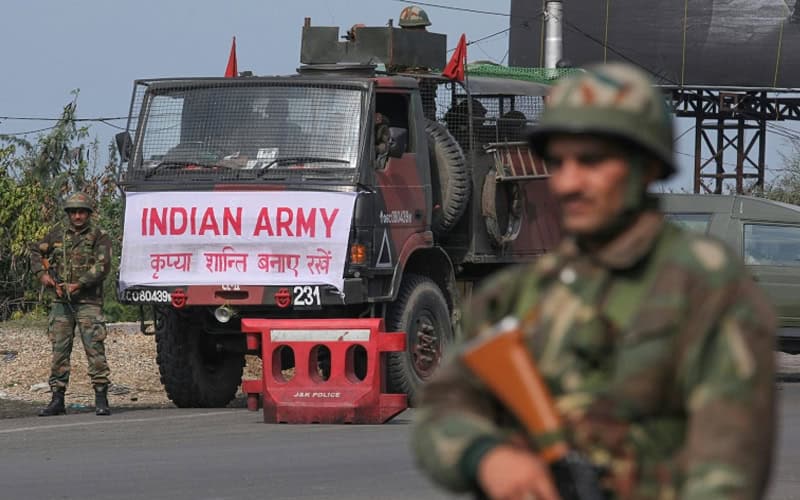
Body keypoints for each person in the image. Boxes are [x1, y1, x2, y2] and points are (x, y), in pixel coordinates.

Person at [411, 63, 776, 499]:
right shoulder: (518, 294)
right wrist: (485, 456)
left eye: (591, 161)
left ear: (646, 167)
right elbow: (442, 411)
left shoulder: (706, 288)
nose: (568, 182)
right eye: (558, 162)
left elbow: (730, 461)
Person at [30, 192, 113, 417]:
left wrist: (80, 284)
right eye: (73, 212)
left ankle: (101, 397)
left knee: (95, 349)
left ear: (88, 214)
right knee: (59, 350)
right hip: (61, 301)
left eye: (81, 212)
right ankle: (57, 398)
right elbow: (35, 251)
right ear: (68, 214)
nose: (77, 216)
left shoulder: (99, 236)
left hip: (88, 301)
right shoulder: (56, 234)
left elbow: (103, 265)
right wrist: (43, 276)